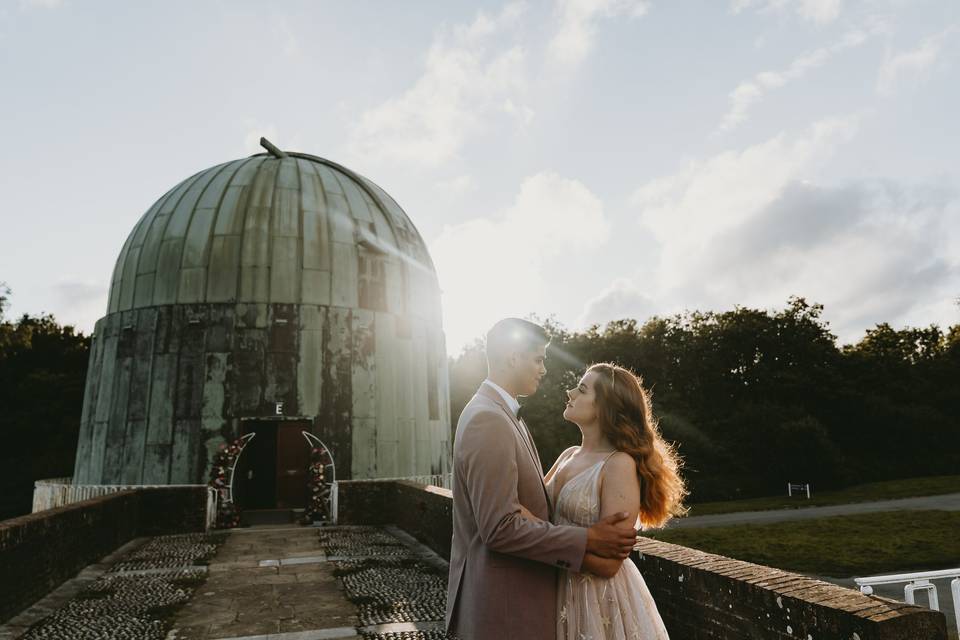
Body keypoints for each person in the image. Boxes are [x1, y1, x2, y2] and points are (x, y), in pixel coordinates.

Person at [446, 319, 638, 640]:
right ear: (512, 358)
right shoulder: (489, 419)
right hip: (505, 609)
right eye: (538, 359)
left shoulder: (503, 415)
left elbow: (527, 506)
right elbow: (500, 527)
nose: (544, 369)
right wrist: (587, 538)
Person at [544, 362, 688, 639]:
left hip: (598, 601)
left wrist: (545, 547)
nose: (570, 391)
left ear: (604, 408)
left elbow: (610, 564)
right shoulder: (567, 455)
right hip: (554, 590)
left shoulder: (618, 464)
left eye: (582, 389)